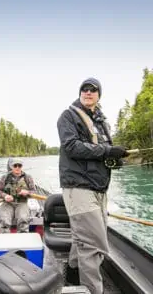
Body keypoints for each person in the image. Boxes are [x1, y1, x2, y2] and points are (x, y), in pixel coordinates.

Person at [57, 78, 129, 294]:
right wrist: (107, 152)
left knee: (82, 237)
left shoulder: (102, 123)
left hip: (100, 189)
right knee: (94, 245)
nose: (88, 92)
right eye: (84, 89)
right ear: (80, 93)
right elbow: (72, 147)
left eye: (93, 90)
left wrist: (115, 158)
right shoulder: (68, 116)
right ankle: (92, 290)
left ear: (99, 95)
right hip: (78, 187)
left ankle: (71, 272)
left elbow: (102, 152)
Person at [0, 158, 36, 233]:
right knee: (4, 220)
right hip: (7, 203)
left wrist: (27, 192)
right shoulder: (4, 177)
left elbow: (34, 192)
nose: (17, 167)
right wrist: (5, 196)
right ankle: (4, 238)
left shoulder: (28, 177)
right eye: (15, 165)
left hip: (22, 203)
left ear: (21, 167)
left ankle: (22, 238)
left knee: (23, 219)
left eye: (19, 166)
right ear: (11, 166)